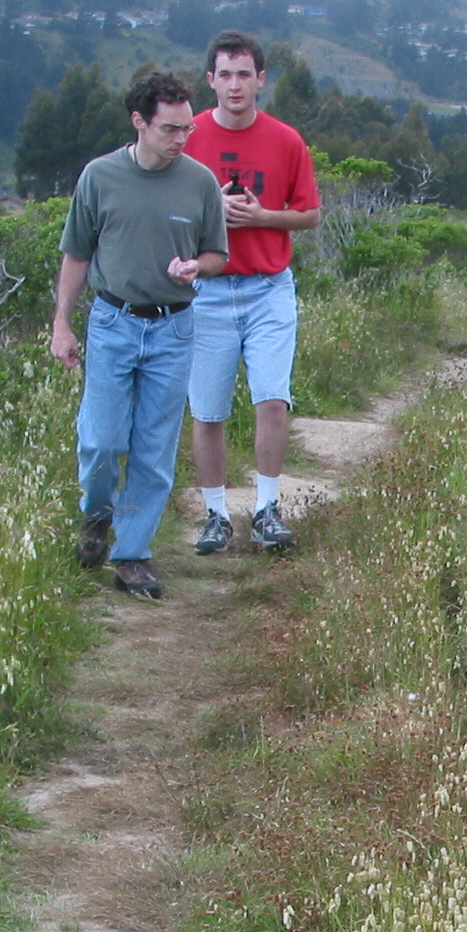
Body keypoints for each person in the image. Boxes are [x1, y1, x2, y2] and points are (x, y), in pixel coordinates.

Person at [50, 68, 229, 600]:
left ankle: (132, 554)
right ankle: (95, 517)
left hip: (173, 328)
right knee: (102, 439)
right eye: (170, 129)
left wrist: (197, 267)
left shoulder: (199, 182)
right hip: (112, 322)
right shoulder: (99, 177)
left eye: (187, 129)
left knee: (153, 449)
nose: (181, 138)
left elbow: (218, 254)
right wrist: (62, 322)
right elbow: (77, 252)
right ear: (139, 122)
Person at [182, 30, 323, 554]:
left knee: (271, 399)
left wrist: (262, 216)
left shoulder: (286, 140)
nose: (235, 85)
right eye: (225, 75)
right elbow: (167, 213)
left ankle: (267, 508)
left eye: (245, 74)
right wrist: (211, 211)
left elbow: (309, 213)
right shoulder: (188, 136)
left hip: (267, 287)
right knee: (209, 410)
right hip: (209, 290)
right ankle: (215, 514)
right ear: (210, 80)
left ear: (261, 79)